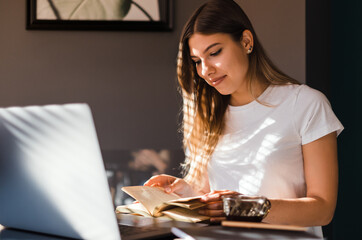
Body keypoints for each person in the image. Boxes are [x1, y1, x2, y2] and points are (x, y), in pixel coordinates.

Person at [144, 0, 343, 238]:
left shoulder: (305, 104)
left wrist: (246, 207)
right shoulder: (210, 115)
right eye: (197, 61)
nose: (206, 70)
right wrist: (181, 190)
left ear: (246, 42)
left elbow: (322, 209)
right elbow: (214, 192)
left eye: (214, 52)